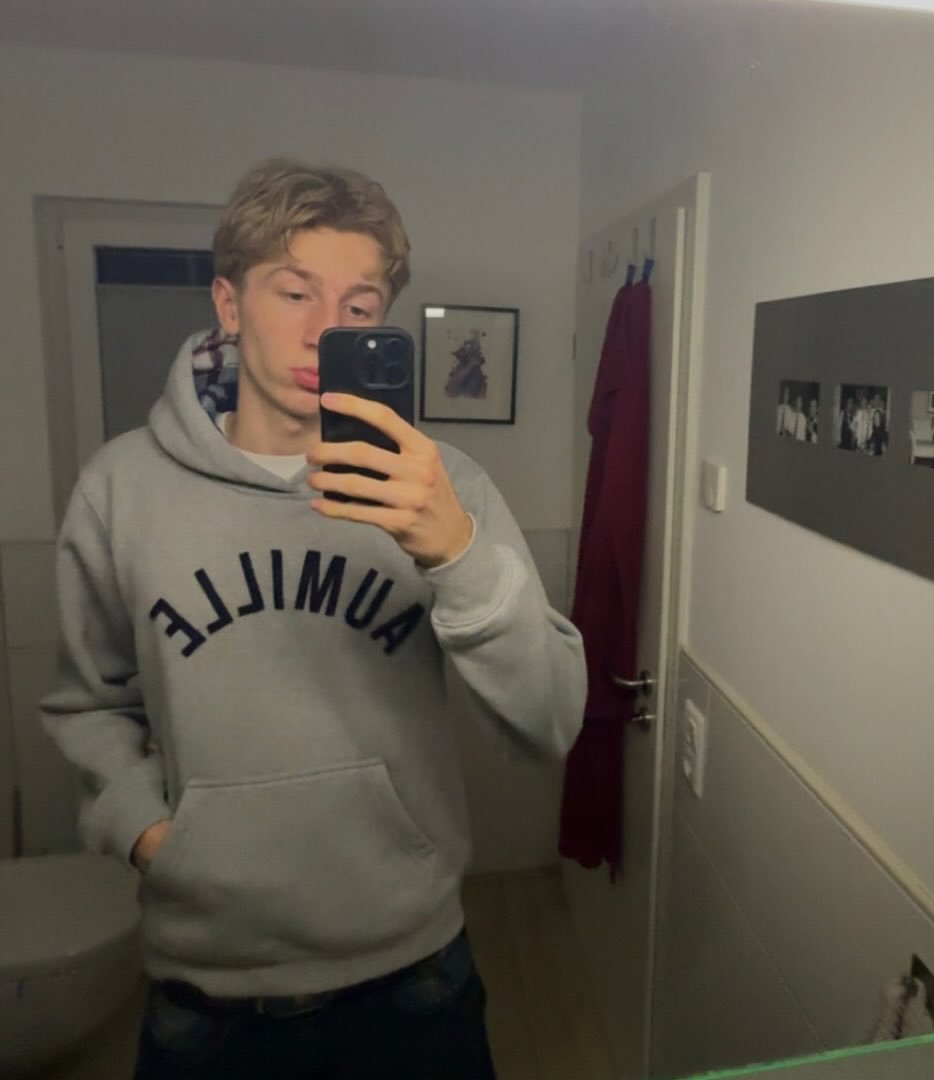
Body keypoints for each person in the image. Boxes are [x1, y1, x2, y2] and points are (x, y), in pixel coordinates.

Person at [39, 159, 587, 1080]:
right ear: (228, 303)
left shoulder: (443, 489)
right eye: (294, 292)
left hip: (415, 980)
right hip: (206, 995)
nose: (325, 328)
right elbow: (89, 704)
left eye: (358, 306)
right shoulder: (119, 489)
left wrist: (455, 553)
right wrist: (149, 833)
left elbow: (549, 721)